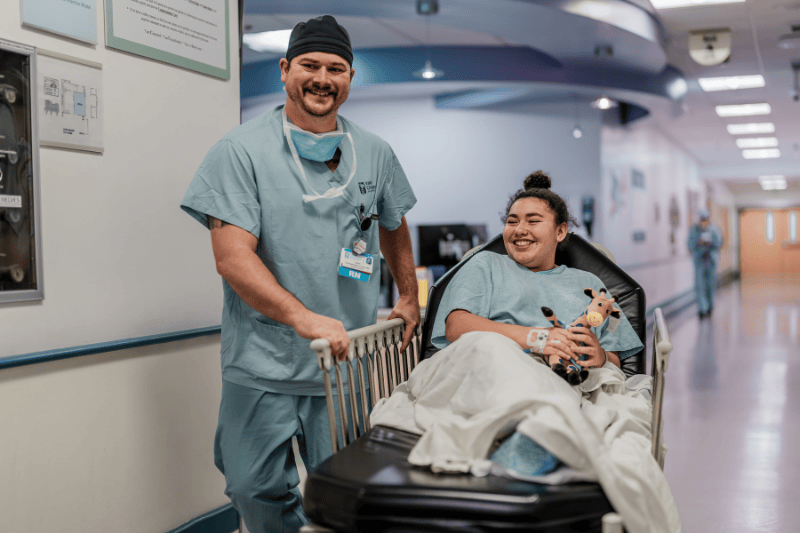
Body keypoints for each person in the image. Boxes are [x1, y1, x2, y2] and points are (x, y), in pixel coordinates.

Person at [180, 15, 419, 533]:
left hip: (345, 363)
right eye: (309, 65)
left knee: (349, 494)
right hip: (262, 359)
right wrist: (301, 316)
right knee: (251, 487)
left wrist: (410, 294)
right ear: (286, 70)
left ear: (350, 79)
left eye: (336, 68)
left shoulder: (375, 154)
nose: (322, 78)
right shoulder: (240, 152)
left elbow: (395, 223)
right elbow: (232, 257)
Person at [431, 171, 642, 370]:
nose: (520, 229)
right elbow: (456, 325)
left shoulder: (590, 285)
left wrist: (602, 357)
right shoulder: (485, 265)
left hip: (569, 381)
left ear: (560, 231)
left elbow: (616, 355)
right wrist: (540, 338)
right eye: (511, 221)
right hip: (493, 374)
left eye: (533, 221)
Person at [687, 209, 722, 319]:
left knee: (710, 285)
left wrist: (710, 243)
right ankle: (702, 308)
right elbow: (689, 244)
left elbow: (719, 243)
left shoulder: (714, 230)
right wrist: (698, 242)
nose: (704, 221)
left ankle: (710, 306)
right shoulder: (695, 231)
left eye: (705, 219)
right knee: (700, 285)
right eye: (702, 219)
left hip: (711, 261)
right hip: (699, 262)